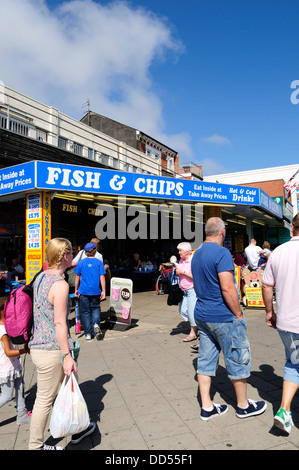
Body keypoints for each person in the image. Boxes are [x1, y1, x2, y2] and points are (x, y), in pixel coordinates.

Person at [191, 217, 267, 421]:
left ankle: (206, 406)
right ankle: (243, 405)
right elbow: (227, 287)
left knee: (205, 361)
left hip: (202, 313)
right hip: (223, 315)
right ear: (222, 232)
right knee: (237, 357)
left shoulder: (196, 253)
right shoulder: (222, 252)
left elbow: (197, 284)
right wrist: (239, 313)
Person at [28, 238, 95, 450]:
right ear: (65, 256)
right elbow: (59, 322)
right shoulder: (61, 285)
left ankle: (78, 429)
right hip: (51, 349)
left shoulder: (39, 278)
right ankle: (35, 446)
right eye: (71, 253)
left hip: (38, 344)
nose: (74, 256)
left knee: (68, 387)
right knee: (44, 400)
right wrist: (67, 355)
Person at [262, 213, 299, 434]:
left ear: (292, 228)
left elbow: (267, 285)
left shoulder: (278, 253)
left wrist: (269, 312)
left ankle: (284, 411)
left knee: (293, 364)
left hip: (287, 322)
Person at [0, 296, 31, 425]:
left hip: (14, 365)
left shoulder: (6, 326)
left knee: (20, 387)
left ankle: (21, 413)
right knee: (7, 396)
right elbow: (8, 352)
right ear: (3, 312)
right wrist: (24, 351)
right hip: (6, 368)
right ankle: (21, 413)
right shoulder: (2, 331)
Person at [75, 243, 106, 341]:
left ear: (85, 252)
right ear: (95, 251)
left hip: (83, 291)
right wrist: (104, 290)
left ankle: (88, 333)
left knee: (85, 312)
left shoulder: (81, 262)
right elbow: (102, 277)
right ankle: (96, 324)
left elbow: (77, 277)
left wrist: (76, 289)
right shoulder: (99, 262)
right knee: (96, 308)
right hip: (95, 291)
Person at [175, 242, 198, 342]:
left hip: (192, 289)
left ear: (187, 252)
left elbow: (196, 277)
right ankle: (199, 326)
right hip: (183, 290)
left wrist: (182, 272)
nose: (179, 253)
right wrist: (177, 272)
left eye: (180, 251)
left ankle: (193, 333)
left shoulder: (194, 261)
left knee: (191, 312)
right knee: (183, 311)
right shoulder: (181, 260)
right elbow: (180, 272)